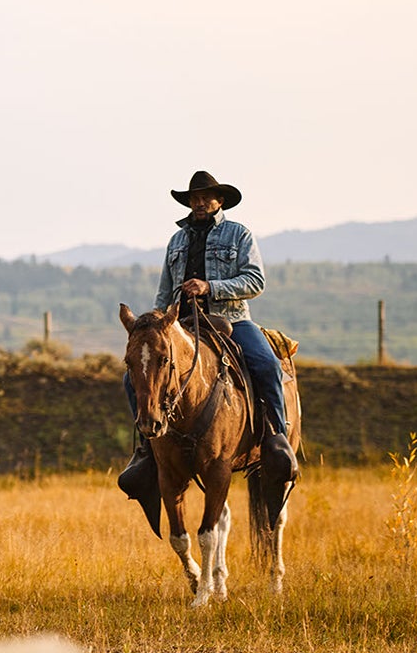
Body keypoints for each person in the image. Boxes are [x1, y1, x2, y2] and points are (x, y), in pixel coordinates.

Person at [117, 171, 298, 510]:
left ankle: (276, 437)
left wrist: (210, 287)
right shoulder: (177, 241)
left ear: (220, 201)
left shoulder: (238, 234)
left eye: (205, 197)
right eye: (194, 198)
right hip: (181, 324)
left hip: (230, 319)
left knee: (266, 365)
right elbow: (164, 290)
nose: (199, 202)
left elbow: (255, 280)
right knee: (133, 378)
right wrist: (157, 324)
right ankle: (146, 447)